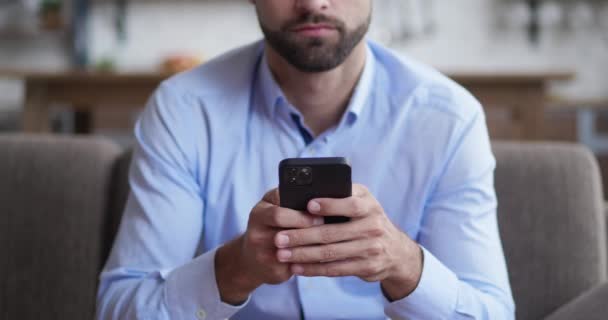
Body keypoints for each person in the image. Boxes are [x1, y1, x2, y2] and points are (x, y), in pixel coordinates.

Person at [96, 1, 515, 319]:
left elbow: (492, 312)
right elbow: (120, 308)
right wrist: (236, 269)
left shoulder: (449, 119)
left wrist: (403, 263)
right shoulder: (184, 109)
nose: (314, 2)